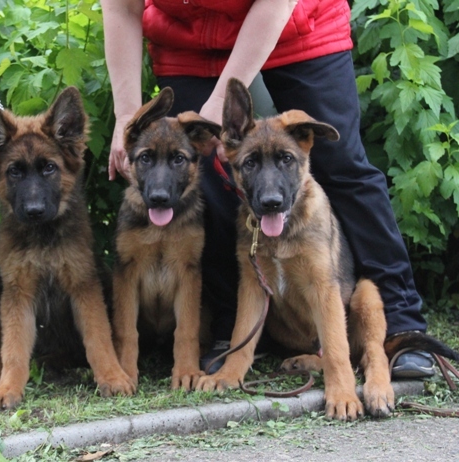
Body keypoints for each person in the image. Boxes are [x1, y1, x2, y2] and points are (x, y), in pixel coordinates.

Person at [101, 0, 434, 379]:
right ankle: (235, 330)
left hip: (299, 29)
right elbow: (120, 7)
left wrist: (223, 101)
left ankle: (401, 323)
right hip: (189, 45)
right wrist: (127, 117)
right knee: (205, 178)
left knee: (342, 165)